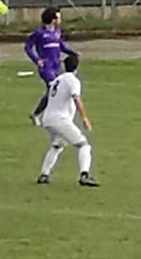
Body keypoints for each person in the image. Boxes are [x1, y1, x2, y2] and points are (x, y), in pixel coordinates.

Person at [37, 54, 99, 187]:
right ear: (77, 67)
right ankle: (84, 175)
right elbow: (76, 98)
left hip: (48, 119)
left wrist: (38, 113)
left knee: (57, 145)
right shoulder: (73, 81)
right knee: (84, 145)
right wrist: (84, 118)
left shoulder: (57, 80)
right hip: (61, 120)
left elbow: (47, 98)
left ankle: (44, 174)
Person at [24, 7, 76, 126]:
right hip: (46, 67)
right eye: (58, 17)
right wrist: (37, 60)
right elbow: (27, 47)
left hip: (57, 65)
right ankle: (51, 116)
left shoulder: (57, 32)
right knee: (54, 90)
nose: (60, 19)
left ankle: (36, 114)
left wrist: (72, 53)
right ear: (53, 19)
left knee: (53, 92)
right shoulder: (39, 33)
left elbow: (61, 46)